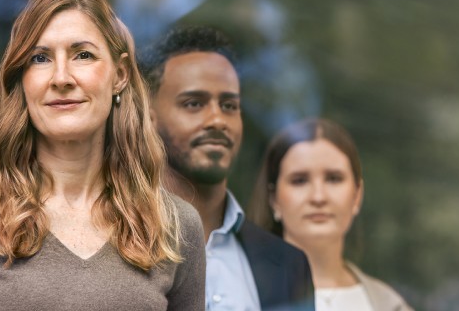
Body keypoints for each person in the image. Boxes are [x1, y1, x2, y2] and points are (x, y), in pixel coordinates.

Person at [0, 0, 205, 310]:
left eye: (82, 55)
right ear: (22, 80)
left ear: (119, 75)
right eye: (40, 58)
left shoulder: (175, 225)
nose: (61, 78)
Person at [142, 26, 314, 311]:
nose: (217, 120)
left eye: (229, 105)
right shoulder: (112, 244)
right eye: (194, 103)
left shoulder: (288, 264)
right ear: (149, 119)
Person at [249, 119, 413, 311]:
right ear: (274, 199)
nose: (318, 197)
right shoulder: (236, 293)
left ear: (356, 195)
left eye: (334, 179)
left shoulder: (390, 304)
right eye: (300, 180)